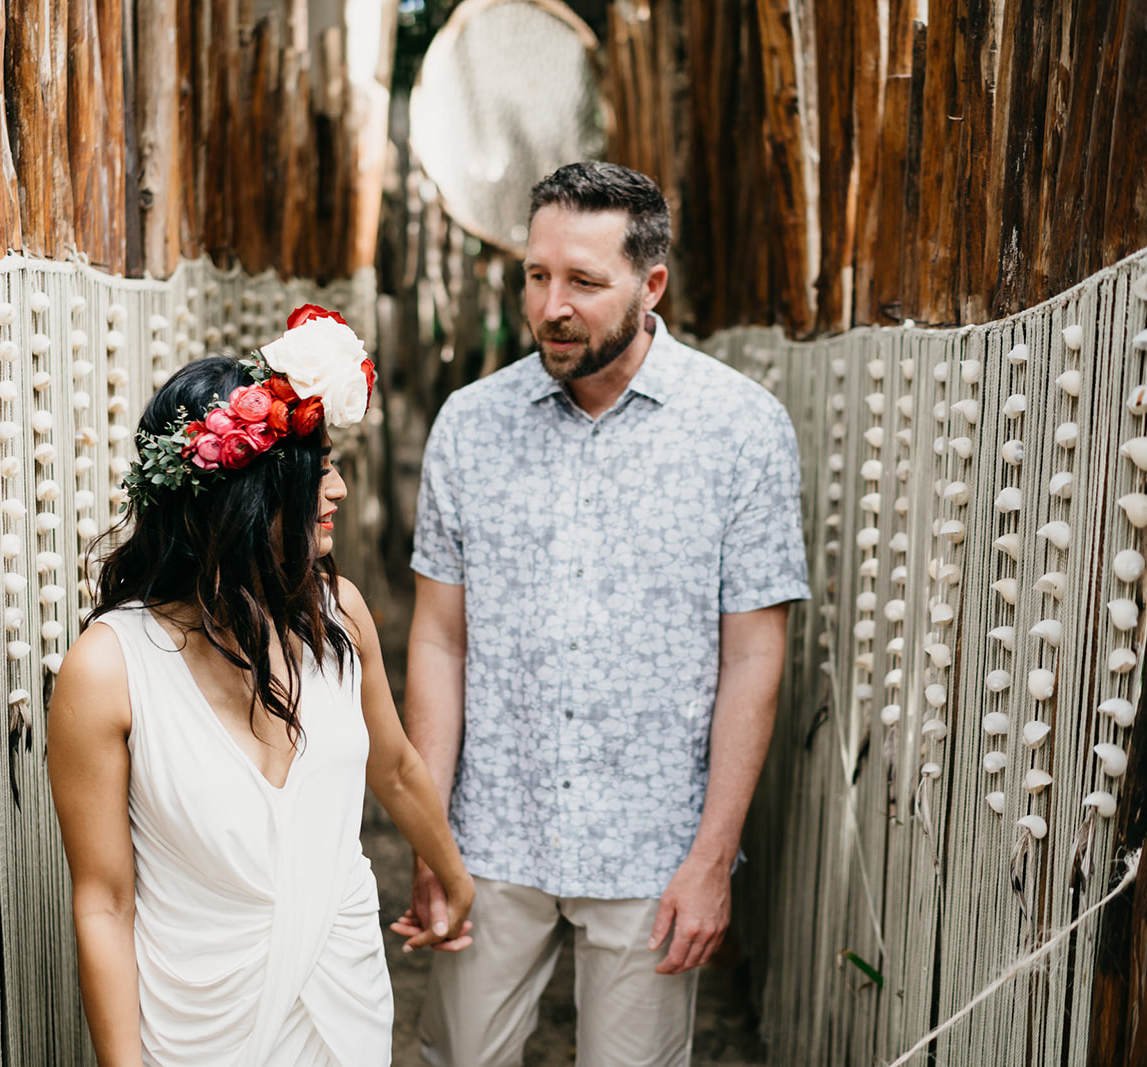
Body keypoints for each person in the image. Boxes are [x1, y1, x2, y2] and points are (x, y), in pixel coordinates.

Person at [391, 162, 810, 1066]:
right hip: (493, 831)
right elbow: (438, 638)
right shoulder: (470, 425)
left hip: (653, 845)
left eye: (583, 281)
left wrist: (710, 859)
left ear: (650, 283)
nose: (552, 306)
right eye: (539, 276)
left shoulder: (742, 428)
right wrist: (432, 835)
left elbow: (753, 659)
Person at [48, 306, 474, 1067]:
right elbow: (104, 902)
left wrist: (451, 872)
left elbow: (397, 766)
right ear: (242, 497)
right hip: (194, 1018)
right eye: (317, 472)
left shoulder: (339, 615)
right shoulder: (109, 668)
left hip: (340, 993)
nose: (337, 488)